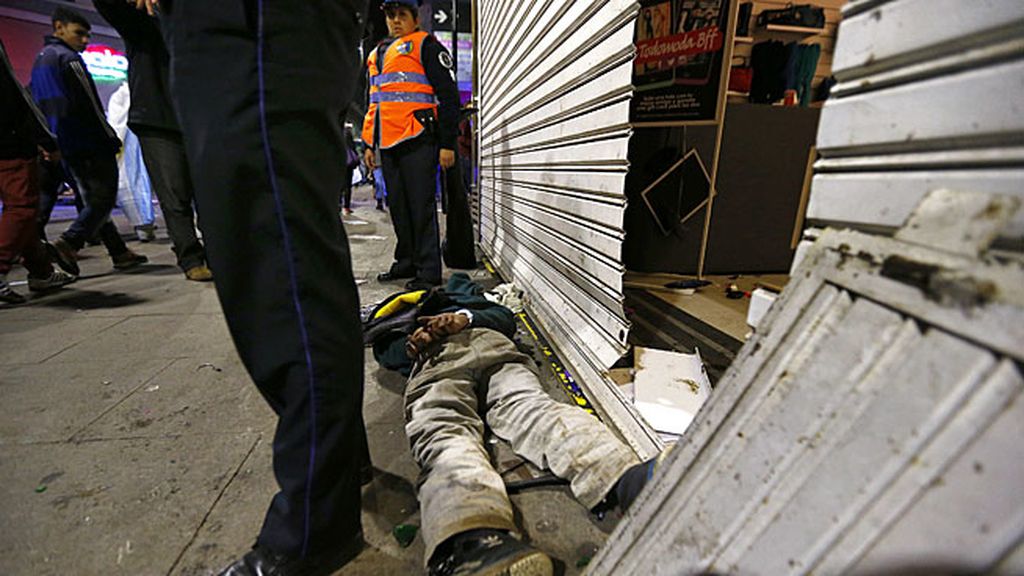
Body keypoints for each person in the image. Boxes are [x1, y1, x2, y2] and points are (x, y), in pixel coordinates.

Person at [155, 1, 371, 574]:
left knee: (280, 265)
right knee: (267, 250)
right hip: (230, 29)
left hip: (259, 24)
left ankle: (312, 527)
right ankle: (338, 466)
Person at [366, 273, 661, 576]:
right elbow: (386, 352)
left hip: (493, 350)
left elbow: (504, 318)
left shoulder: (469, 298)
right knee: (447, 430)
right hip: (436, 360)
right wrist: (413, 344)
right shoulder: (397, 315)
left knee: (532, 410)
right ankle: (472, 537)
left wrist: (463, 318)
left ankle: (624, 478)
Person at [92, 0, 213, 282]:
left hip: (200, 119)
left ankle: (220, 254)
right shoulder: (144, 20)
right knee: (174, 196)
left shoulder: (198, 23)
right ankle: (191, 257)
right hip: (157, 119)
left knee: (210, 195)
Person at [30, 7, 148, 276]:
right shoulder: (62, 58)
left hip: (73, 143)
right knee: (102, 198)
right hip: (85, 143)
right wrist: (58, 141)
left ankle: (118, 251)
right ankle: (69, 242)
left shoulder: (50, 58)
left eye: (87, 35)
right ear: (59, 27)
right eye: (79, 33)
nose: (85, 40)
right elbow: (68, 105)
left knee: (92, 198)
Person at [362, 0, 459, 291]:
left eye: (402, 15)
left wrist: (447, 144)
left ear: (415, 18)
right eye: (391, 16)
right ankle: (405, 262)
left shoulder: (426, 46)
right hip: (389, 142)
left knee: (421, 207)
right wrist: (369, 143)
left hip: (419, 139)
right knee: (399, 208)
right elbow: (374, 103)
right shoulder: (377, 54)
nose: (395, 20)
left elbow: (449, 97)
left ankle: (428, 271)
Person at [0, 39, 77, 305]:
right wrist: (45, 138)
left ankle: (41, 271)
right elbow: (12, 92)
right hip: (8, 139)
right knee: (21, 208)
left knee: (23, 214)